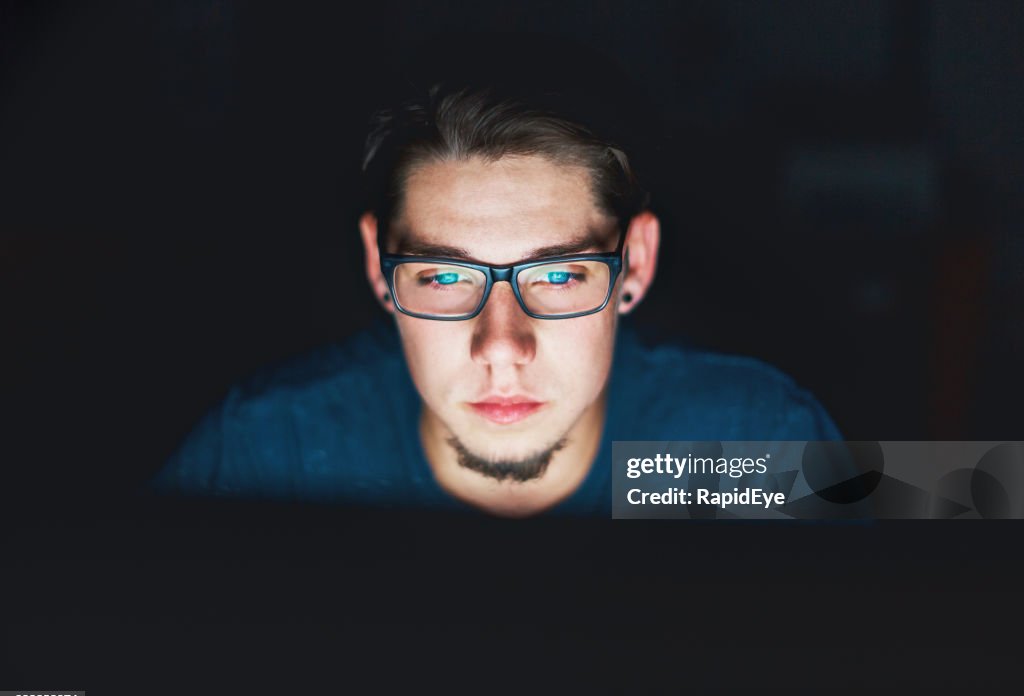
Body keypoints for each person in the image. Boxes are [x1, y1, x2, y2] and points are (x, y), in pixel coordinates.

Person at [151, 38, 842, 518]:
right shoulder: (263, 453)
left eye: (560, 275)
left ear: (634, 262)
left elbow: (946, 534)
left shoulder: (760, 440)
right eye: (445, 278)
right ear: (377, 265)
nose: (501, 346)